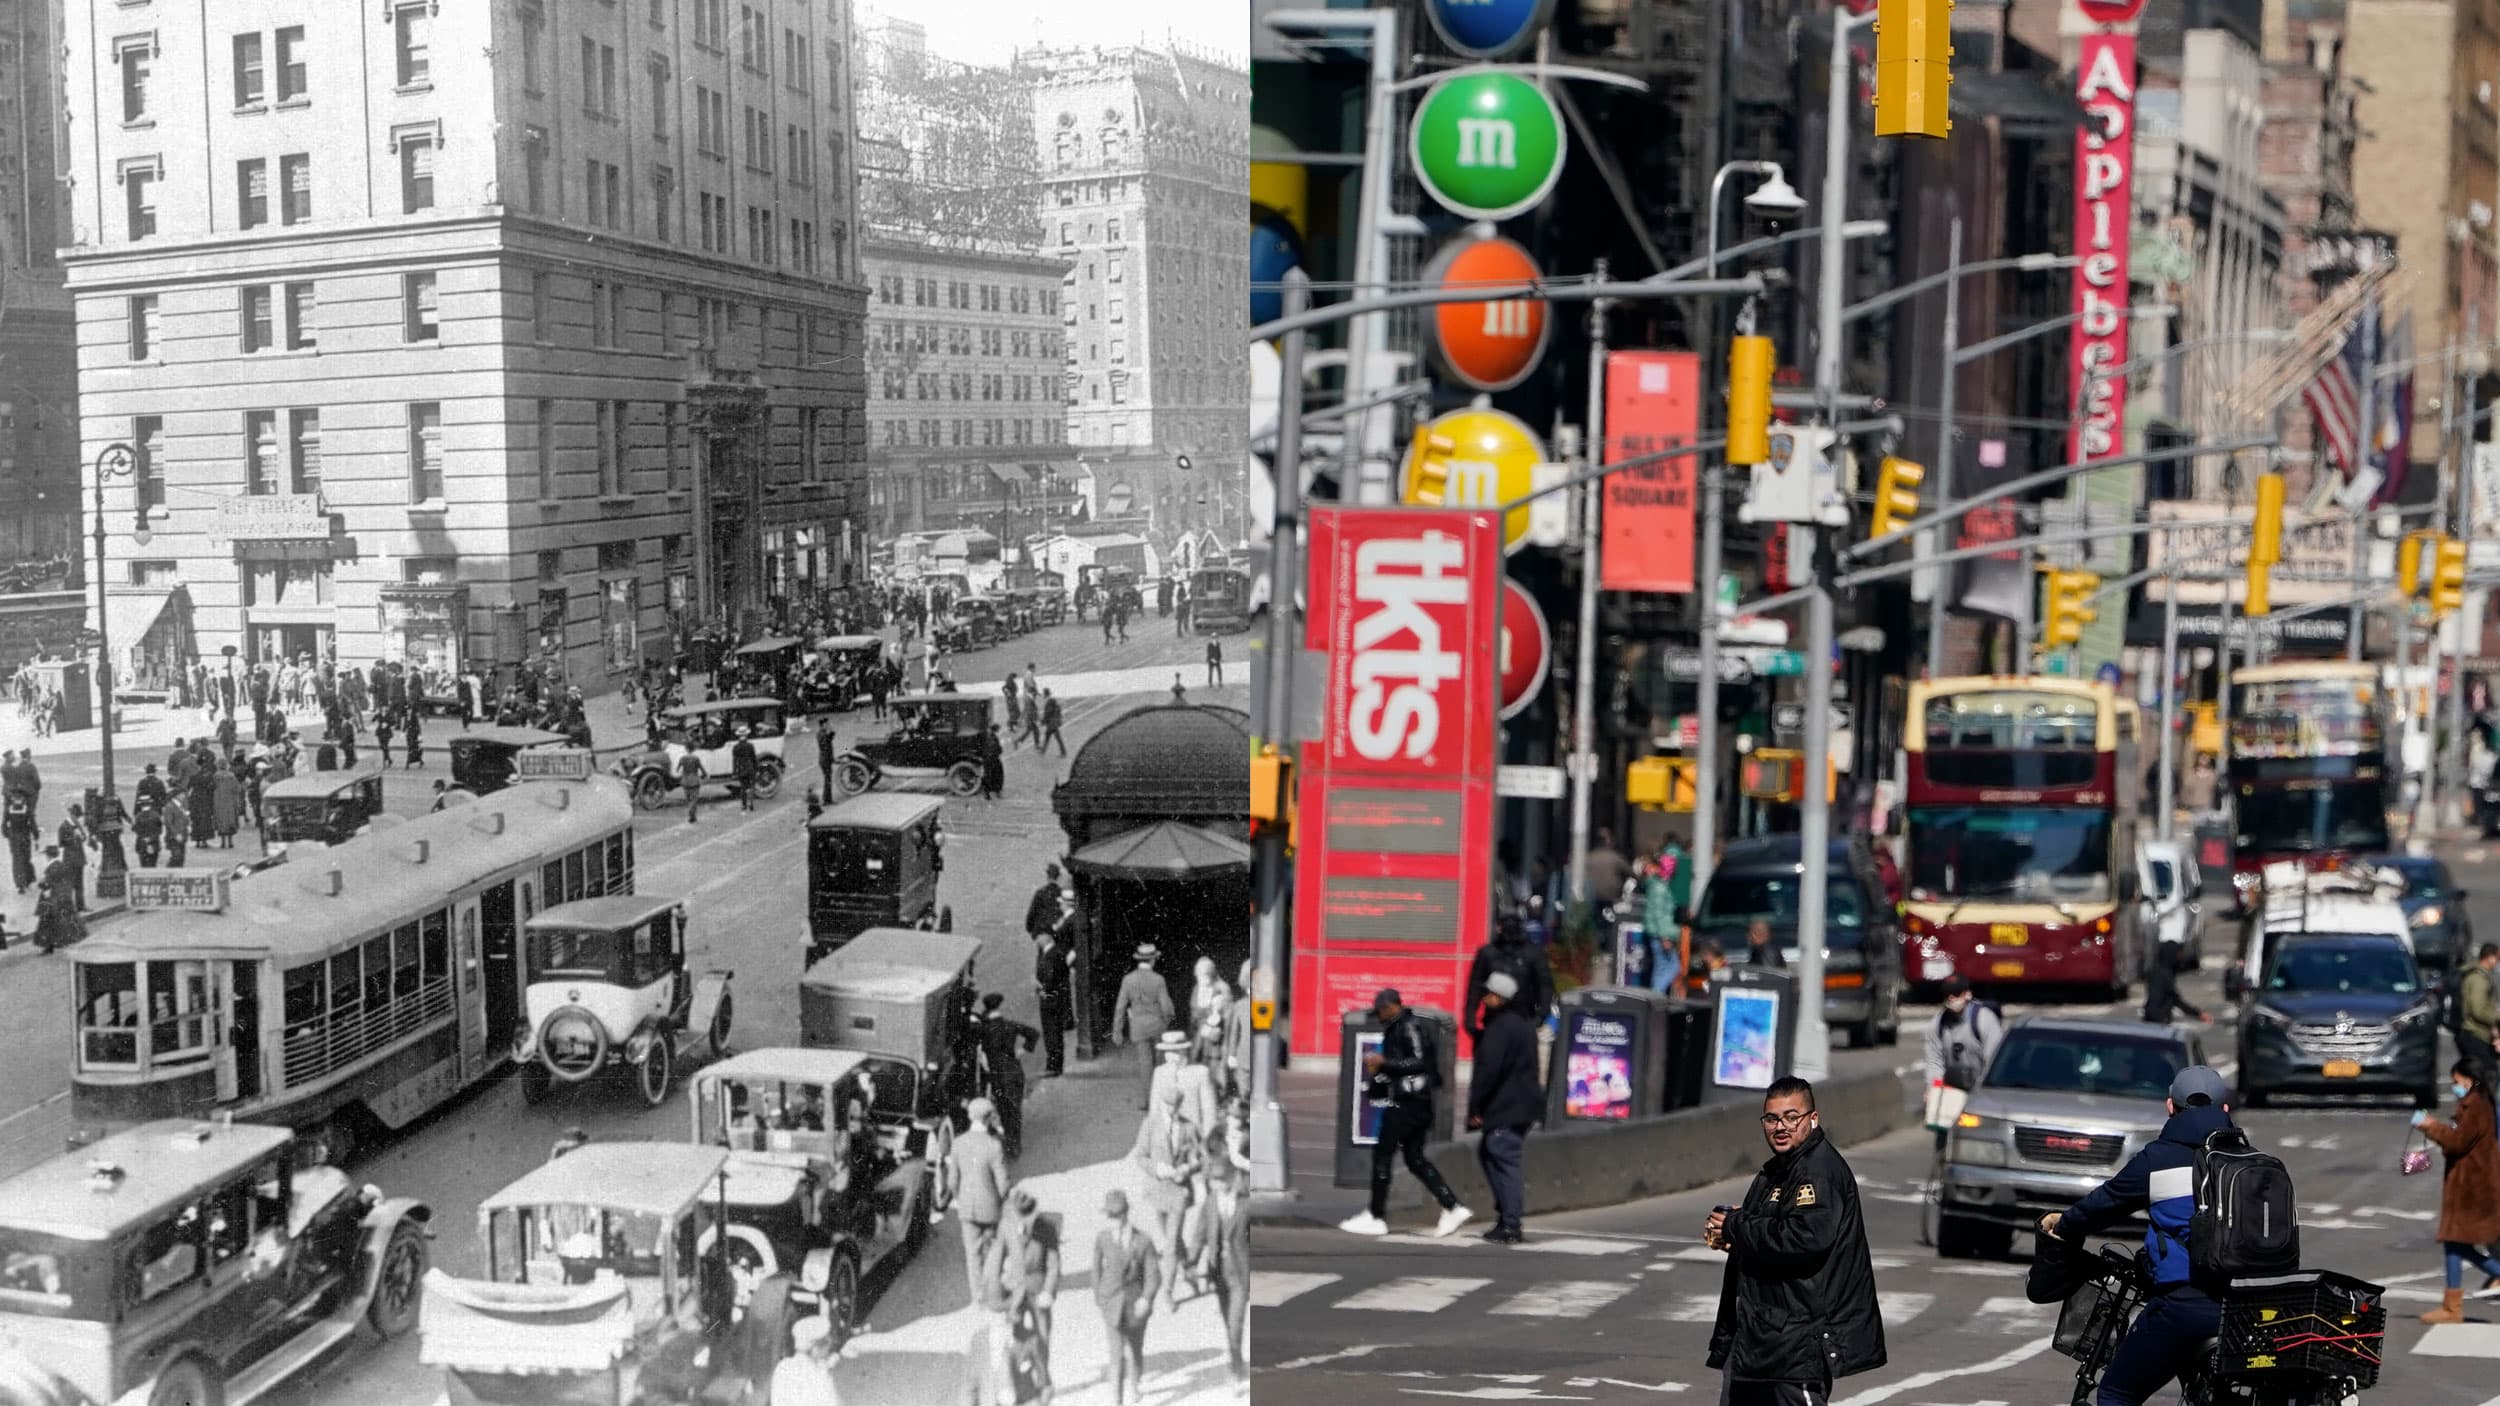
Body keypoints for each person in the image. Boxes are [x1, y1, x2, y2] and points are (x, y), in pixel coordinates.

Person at [2036, 1066, 2238, 1406]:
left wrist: (2065, 1225)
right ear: (2225, 1112)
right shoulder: (2252, 1162)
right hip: (2251, 1309)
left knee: (2117, 1392)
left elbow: (2105, 1203)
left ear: (2170, 1108)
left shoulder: (2159, 1159)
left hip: (2186, 1305)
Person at [1705, 1076, 1887, 1405]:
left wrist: (1738, 1226)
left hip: (1795, 1346)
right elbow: (1772, 1231)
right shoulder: (1781, 1169)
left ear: (1812, 1119)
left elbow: (1806, 1239)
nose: (1781, 1127)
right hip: (1762, 1341)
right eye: (1772, 1118)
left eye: (1792, 1117)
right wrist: (1735, 1233)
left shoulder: (1817, 1170)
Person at [1339, 988, 1470, 1239]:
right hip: (1415, 1101)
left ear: (1392, 1007)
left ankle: (1376, 1216)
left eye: (1381, 1011)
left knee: (1383, 1154)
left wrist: (1384, 1063)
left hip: (1409, 1102)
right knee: (1414, 1158)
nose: (1379, 1016)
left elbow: (1419, 1062)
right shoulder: (1398, 1027)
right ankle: (1452, 1206)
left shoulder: (1408, 1026)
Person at [2412, 1057, 2500, 1322]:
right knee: (2454, 1243)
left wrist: (2429, 1126)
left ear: (2468, 1079)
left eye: (2455, 1081)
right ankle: (2452, 1307)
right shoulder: (2475, 1104)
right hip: (2469, 1187)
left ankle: (2454, 1306)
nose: (2454, 1086)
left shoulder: (2476, 1107)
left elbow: (2457, 1142)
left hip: (2474, 1189)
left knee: (2457, 1243)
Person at [1468, 971, 1546, 1245]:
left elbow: (1488, 1071)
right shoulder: (1522, 1024)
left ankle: (1511, 1223)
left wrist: (1476, 1107)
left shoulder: (1500, 1028)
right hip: (1521, 1105)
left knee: (1502, 1155)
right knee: (1490, 1152)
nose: (1484, 998)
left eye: (1488, 994)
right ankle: (1505, 1216)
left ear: (1499, 998)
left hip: (1508, 1105)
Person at [1092, 1189, 1160, 1406]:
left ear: (1125, 1215)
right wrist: (1100, 1297)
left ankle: (1135, 1382)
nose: (1111, 1221)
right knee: (1116, 1354)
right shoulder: (1102, 1239)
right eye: (1109, 1217)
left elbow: (1152, 1275)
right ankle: (1117, 1400)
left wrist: (1146, 1298)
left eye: (1115, 1217)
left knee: (1136, 1348)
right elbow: (1095, 1271)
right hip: (1111, 1303)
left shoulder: (1143, 1241)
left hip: (1135, 1304)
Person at [946, 1096, 1011, 1299]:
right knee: (992, 1250)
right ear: (988, 1118)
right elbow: (1003, 1184)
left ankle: (978, 1296)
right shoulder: (994, 1145)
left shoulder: (958, 1143)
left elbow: (952, 1181)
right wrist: (1001, 1200)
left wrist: (960, 1198)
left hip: (967, 1207)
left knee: (972, 1254)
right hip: (990, 1208)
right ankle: (993, 1290)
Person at [1463, 912, 1556, 1042]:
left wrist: (1540, 1017)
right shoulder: (1488, 953)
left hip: (1524, 1017)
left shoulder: (1533, 954)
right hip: (1494, 1018)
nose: (1509, 928)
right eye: (1505, 924)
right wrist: (1470, 1018)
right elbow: (1475, 987)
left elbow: (1545, 986)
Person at [1111, 944, 1176, 1111]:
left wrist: (1117, 1030)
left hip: (1138, 1027)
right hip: (1157, 1026)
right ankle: (1161, 1099)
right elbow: (1167, 1007)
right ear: (1153, 960)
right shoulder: (1158, 979)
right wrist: (1167, 1021)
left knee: (1145, 1064)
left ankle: (1146, 1101)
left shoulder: (1128, 979)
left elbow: (1120, 1006)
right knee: (1160, 1063)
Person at [975, 993, 1039, 1159]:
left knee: (1004, 1109)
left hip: (998, 1075)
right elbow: (1033, 1033)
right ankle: (1014, 1144)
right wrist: (1021, 1051)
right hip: (1014, 1071)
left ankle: (1010, 1141)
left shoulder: (984, 1029)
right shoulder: (1010, 1025)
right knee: (1015, 1109)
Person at [1032, 890, 1075, 1078]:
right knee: (1053, 1033)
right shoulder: (1056, 954)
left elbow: (1049, 980)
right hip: (1056, 998)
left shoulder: (1050, 957)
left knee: (1052, 1033)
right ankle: (1054, 1065)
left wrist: (1039, 986)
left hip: (1050, 1001)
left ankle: (1053, 1066)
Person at [769, 1315, 843, 1406]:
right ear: (815, 1348)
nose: (829, 1348)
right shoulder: (817, 1374)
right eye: (827, 1343)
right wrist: (827, 1374)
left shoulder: (783, 1367)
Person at [2140, 933, 2210, 1028]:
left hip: (2155, 1021)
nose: (2180, 958)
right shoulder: (2163, 976)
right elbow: (2168, 1000)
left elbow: (2174, 999)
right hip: (2158, 1023)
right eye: (2178, 954)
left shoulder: (2161, 972)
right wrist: (2198, 1014)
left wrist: (2198, 1014)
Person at [2460, 944, 2500, 1091]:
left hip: (2477, 1034)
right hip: (2475, 1034)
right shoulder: (2479, 979)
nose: (2497, 962)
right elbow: (2478, 1009)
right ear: (2489, 957)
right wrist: (2496, 1016)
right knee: (2488, 1074)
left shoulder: (2479, 976)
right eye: (2497, 958)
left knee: (2480, 1074)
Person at [730, 727, 758, 813]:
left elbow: (735, 761)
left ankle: (743, 805)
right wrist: (756, 768)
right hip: (750, 768)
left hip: (741, 769)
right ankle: (751, 804)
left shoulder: (735, 747)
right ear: (746, 735)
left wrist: (734, 772)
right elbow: (754, 758)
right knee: (751, 786)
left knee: (743, 787)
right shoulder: (750, 746)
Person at [678, 750, 705, 825]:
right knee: (694, 799)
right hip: (694, 780)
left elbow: (677, 769)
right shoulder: (696, 758)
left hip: (685, 781)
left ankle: (692, 816)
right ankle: (691, 813)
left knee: (688, 798)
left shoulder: (682, 758)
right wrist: (705, 775)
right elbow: (702, 769)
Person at [1037, 690, 1066, 756]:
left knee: (1049, 737)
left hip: (1051, 724)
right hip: (1054, 723)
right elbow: (1058, 710)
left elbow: (1048, 713)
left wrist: (1042, 722)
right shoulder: (1053, 701)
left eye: (1044, 694)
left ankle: (1043, 751)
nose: (1043, 696)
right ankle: (1063, 752)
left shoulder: (1049, 702)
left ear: (1046, 695)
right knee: (1054, 738)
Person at [816, 717, 837, 800]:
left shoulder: (822, 733)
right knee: (827, 780)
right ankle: (827, 799)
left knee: (828, 779)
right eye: (827, 724)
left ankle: (828, 798)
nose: (828, 725)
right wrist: (829, 732)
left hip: (826, 759)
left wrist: (831, 731)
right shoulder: (821, 734)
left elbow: (830, 739)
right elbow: (826, 743)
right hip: (825, 759)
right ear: (823, 724)